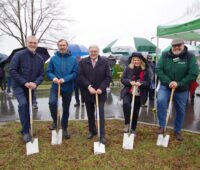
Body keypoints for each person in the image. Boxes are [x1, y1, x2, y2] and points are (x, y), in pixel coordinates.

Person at [156, 39, 199, 141]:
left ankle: (177, 130)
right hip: (166, 86)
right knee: (161, 101)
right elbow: (159, 69)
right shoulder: (165, 55)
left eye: (178, 45)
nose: (176, 47)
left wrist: (179, 83)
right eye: (174, 46)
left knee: (180, 110)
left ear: (183, 45)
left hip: (182, 88)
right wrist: (168, 81)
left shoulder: (190, 57)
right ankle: (162, 125)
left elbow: (193, 73)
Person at [10, 36, 44, 143]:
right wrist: (24, 82)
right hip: (19, 86)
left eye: (35, 43)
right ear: (26, 43)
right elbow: (13, 70)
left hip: (31, 87)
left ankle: (28, 127)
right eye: (31, 42)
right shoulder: (18, 55)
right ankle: (25, 132)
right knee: (23, 105)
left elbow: (41, 75)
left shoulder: (40, 59)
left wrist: (35, 83)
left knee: (29, 107)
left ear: (37, 44)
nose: (33, 44)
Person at [78, 45, 111, 144]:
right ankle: (92, 131)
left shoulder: (104, 62)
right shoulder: (83, 62)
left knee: (100, 113)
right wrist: (89, 87)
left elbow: (108, 77)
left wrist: (101, 88)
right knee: (90, 113)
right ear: (89, 52)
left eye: (95, 51)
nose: (93, 53)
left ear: (98, 51)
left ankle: (102, 135)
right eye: (91, 51)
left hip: (100, 93)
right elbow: (80, 76)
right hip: (88, 92)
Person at [47, 39, 78, 139]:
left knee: (66, 108)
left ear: (67, 46)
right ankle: (56, 122)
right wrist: (54, 78)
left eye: (64, 45)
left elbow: (75, 73)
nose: (62, 47)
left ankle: (64, 128)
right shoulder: (53, 59)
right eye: (60, 45)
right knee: (52, 103)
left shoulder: (73, 59)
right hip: (55, 86)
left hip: (68, 87)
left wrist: (65, 79)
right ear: (58, 46)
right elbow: (49, 71)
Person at [120, 52, 152, 134]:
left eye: (138, 60)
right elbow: (123, 79)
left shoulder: (146, 69)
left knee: (135, 111)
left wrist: (141, 83)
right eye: (134, 60)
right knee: (126, 104)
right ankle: (127, 123)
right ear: (132, 60)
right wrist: (129, 82)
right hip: (128, 91)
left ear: (141, 60)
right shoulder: (128, 68)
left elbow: (148, 82)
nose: (136, 62)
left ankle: (133, 128)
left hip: (139, 94)